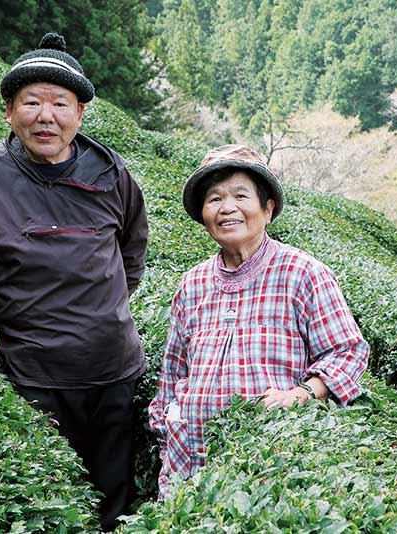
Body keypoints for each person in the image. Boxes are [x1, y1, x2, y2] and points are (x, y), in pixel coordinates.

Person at [0, 32, 148, 530]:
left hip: (113, 369)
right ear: (9, 112)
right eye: (31, 102)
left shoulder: (113, 174)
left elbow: (131, 252)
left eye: (59, 104)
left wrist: (102, 305)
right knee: (47, 499)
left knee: (113, 497)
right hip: (33, 375)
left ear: (80, 115)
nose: (45, 116)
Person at [148, 144, 369, 498]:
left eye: (240, 195)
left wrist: (301, 394)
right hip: (185, 462)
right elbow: (173, 372)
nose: (227, 208)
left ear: (267, 209)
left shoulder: (303, 273)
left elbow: (347, 353)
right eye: (215, 199)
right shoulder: (193, 282)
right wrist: (169, 428)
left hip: (266, 465)